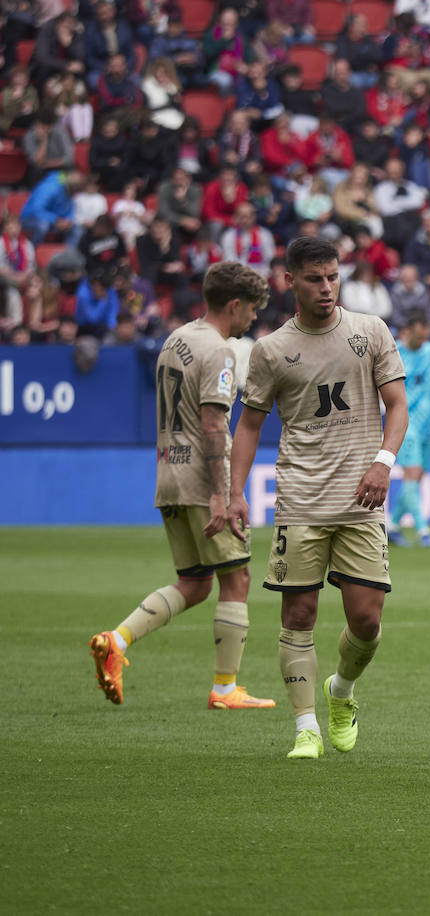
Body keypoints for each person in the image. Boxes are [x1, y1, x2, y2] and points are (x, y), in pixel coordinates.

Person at [227, 237, 409, 761]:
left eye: (332, 276)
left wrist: (384, 462)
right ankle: (306, 728)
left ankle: (341, 692)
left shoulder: (369, 331)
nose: (326, 287)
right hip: (301, 499)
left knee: (367, 621)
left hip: (362, 499)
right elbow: (249, 426)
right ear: (291, 282)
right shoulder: (271, 350)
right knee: (299, 613)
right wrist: (236, 493)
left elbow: (397, 405)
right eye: (314, 278)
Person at [88, 262, 273, 710]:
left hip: (170, 472)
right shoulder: (221, 352)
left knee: (195, 583)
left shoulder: (176, 340)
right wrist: (222, 494)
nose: (252, 318)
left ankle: (117, 640)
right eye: (251, 309)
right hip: (202, 480)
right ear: (234, 304)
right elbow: (213, 424)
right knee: (238, 578)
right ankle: (226, 690)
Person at [388, 314, 430, 548]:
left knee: (416, 477)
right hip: (406, 426)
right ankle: (423, 530)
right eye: (420, 327)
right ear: (408, 329)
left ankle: (393, 526)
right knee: (412, 473)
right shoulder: (395, 353)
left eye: (427, 327)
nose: (424, 333)